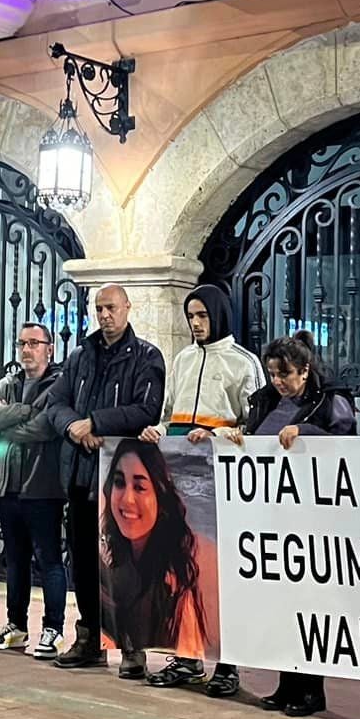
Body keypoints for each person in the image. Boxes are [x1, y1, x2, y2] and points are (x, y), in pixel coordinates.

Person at [228, 332, 358, 715]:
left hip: (312, 518)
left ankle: (311, 689)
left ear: (305, 371)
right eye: (272, 374)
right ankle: (286, 683)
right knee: (281, 605)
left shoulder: (329, 400)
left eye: (285, 374)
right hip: (272, 517)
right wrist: (240, 438)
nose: (278, 382)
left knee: (310, 606)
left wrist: (307, 432)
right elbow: (255, 436)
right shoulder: (266, 400)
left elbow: (347, 442)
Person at [141, 284, 260, 695]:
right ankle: (186, 657)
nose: (195, 323)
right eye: (190, 316)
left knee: (221, 575)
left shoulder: (243, 363)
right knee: (180, 570)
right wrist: (157, 431)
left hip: (221, 482)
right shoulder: (183, 360)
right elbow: (168, 411)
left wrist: (219, 436)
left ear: (219, 315)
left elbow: (253, 426)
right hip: (179, 480)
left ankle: (228, 664)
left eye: (202, 316)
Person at [43, 286, 166, 675]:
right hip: (81, 474)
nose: (104, 314)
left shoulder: (147, 356)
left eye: (111, 307)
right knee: (82, 562)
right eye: (98, 308)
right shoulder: (80, 356)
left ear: (128, 308)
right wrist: (74, 430)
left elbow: (146, 408)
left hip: (120, 479)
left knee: (125, 564)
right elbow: (55, 404)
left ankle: (132, 645)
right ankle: (89, 638)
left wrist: (97, 422)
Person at [0, 322, 68, 657]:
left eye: (34, 343)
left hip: (42, 487)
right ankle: (15, 626)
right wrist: (24, 412)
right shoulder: (9, 381)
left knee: (48, 560)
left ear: (49, 348)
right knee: (14, 561)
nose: (27, 350)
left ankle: (53, 629)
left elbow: (45, 428)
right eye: (22, 343)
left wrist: (9, 424)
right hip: (8, 486)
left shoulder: (59, 383)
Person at [98, 438, 216, 663]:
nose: (127, 499)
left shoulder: (182, 575)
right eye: (119, 483)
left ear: (160, 496)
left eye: (140, 487)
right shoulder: (110, 562)